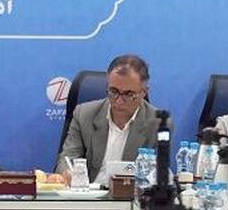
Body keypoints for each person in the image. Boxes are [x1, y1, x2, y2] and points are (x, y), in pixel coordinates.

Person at [55, 54, 165, 185]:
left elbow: (158, 174)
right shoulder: (84, 114)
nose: (119, 101)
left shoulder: (159, 124)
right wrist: (68, 173)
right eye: (114, 91)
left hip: (130, 194)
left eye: (129, 94)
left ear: (144, 92)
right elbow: (67, 158)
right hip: (88, 193)